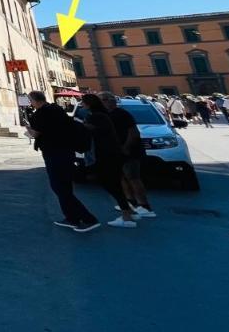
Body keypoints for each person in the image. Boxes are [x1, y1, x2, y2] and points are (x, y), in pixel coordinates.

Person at [27, 91, 98, 232]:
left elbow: (35, 133)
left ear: (34, 100)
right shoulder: (56, 109)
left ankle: (88, 219)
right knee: (64, 186)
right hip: (67, 151)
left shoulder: (39, 114)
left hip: (53, 153)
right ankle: (71, 218)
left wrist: (28, 128)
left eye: (30, 100)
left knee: (59, 187)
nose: (30, 103)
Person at [80, 94, 138, 228]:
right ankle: (130, 211)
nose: (82, 105)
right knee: (114, 184)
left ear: (89, 104)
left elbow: (96, 131)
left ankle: (127, 217)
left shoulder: (96, 116)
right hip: (111, 154)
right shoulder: (102, 115)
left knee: (111, 184)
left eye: (83, 102)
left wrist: (84, 127)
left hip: (106, 155)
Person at [100, 93, 155, 218]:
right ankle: (130, 202)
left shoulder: (122, 114)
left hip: (129, 151)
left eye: (102, 100)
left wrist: (126, 147)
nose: (101, 103)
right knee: (122, 177)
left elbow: (133, 132)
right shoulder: (107, 115)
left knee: (133, 178)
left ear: (111, 101)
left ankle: (145, 206)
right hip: (116, 152)